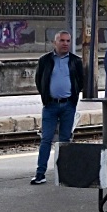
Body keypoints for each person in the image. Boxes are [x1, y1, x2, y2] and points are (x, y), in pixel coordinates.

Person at [33, 30, 85, 185]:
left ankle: (64, 174)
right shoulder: (45, 60)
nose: (65, 44)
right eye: (62, 41)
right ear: (54, 43)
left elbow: (79, 81)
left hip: (68, 105)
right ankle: (40, 174)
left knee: (65, 141)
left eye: (68, 41)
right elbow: (39, 80)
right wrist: (46, 97)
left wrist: (73, 99)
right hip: (50, 105)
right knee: (46, 139)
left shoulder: (76, 61)